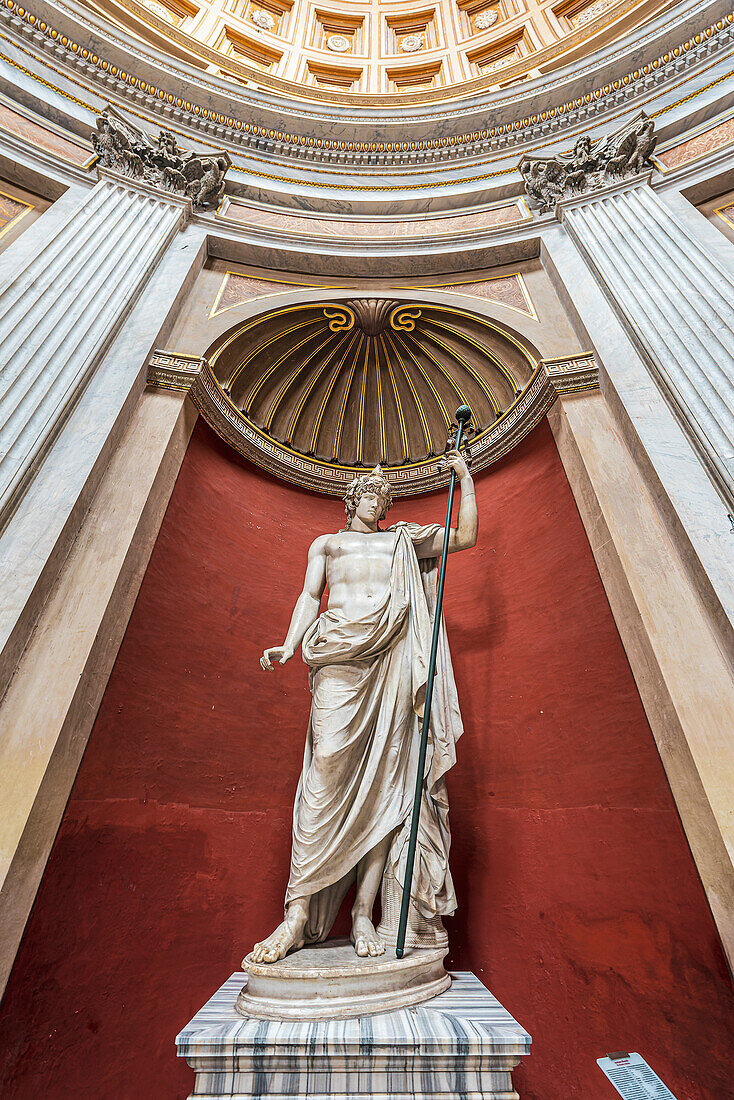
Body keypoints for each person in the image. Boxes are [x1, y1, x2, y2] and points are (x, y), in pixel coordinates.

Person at [254, 450, 478, 963]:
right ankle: (295, 916)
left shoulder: (401, 542)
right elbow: (310, 598)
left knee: (386, 788)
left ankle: (363, 913)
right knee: (323, 775)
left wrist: (466, 478)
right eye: (371, 494)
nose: (379, 502)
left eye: (385, 496)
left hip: (390, 667)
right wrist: (289, 646)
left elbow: (464, 538)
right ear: (352, 499)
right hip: (337, 658)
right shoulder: (327, 544)